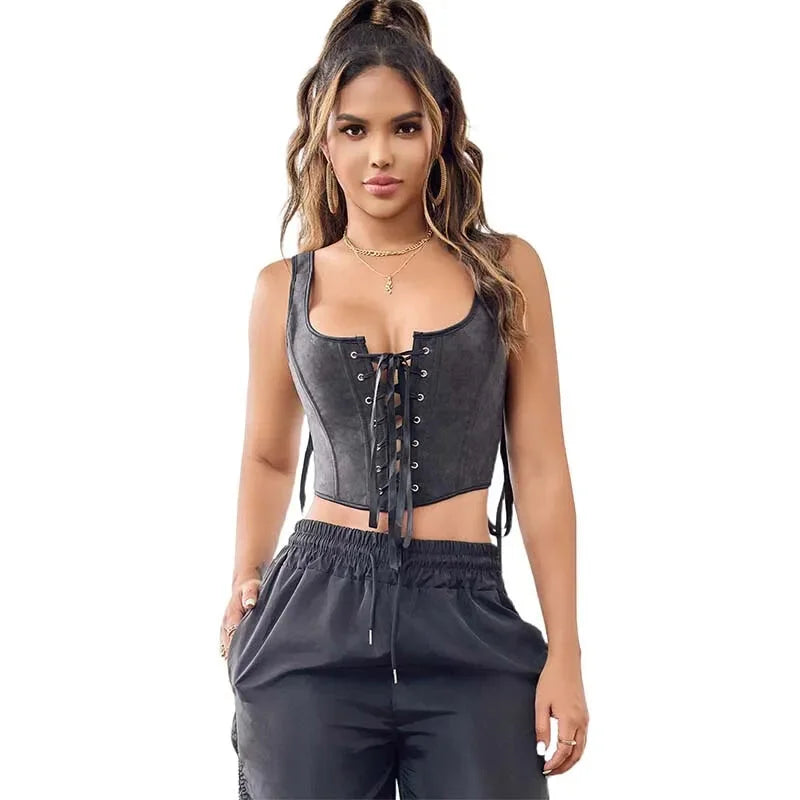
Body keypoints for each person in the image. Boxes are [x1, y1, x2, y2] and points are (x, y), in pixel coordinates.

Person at [220, 1, 588, 797]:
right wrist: (245, 573)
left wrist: (566, 650)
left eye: (405, 128)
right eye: (354, 129)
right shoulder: (284, 287)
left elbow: (541, 467)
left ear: (440, 132)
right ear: (323, 140)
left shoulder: (505, 269)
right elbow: (268, 454)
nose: (379, 154)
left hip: (467, 616)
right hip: (312, 616)